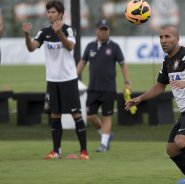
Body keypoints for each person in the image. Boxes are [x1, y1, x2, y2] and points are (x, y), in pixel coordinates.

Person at [125, 25, 185, 184]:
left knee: (181, 141)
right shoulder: (167, 60)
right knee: (172, 149)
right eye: (161, 37)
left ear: (177, 39)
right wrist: (139, 99)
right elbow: (159, 86)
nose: (163, 41)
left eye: (167, 37)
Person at [22, 0, 88, 160]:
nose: (50, 14)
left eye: (53, 12)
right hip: (52, 80)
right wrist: (26, 34)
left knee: (76, 114)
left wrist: (59, 34)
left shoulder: (69, 30)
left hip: (68, 79)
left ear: (60, 13)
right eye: (48, 12)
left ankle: (84, 152)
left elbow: (70, 46)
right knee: (55, 115)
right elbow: (31, 47)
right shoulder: (44, 32)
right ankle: (56, 151)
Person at [77, 19, 131, 152]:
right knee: (90, 116)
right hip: (93, 88)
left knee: (107, 116)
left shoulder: (114, 47)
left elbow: (123, 65)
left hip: (108, 88)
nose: (103, 32)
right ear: (96, 30)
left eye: (105, 29)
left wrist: (127, 82)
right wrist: (73, 77)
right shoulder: (90, 46)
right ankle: (105, 135)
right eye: (101, 29)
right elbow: (82, 63)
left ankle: (104, 144)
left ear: (109, 31)